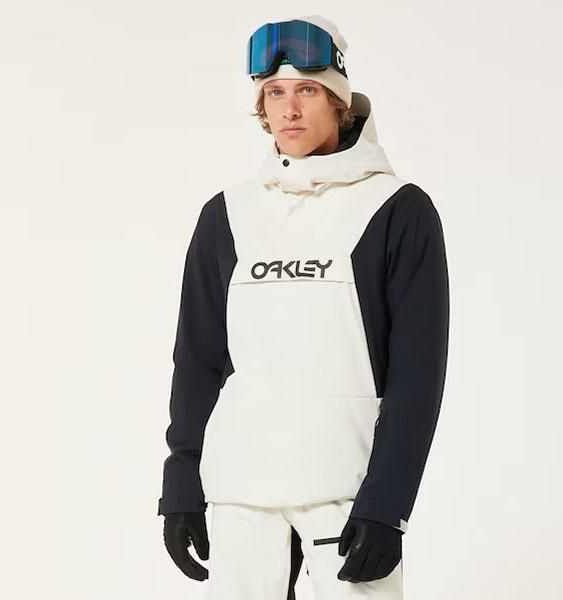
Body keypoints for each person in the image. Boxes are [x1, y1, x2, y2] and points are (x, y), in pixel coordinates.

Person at [158, 14, 450, 600]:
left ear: (339, 102)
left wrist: (388, 502)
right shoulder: (227, 215)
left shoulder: (397, 209)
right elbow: (198, 361)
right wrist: (182, 481)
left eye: (308, 90)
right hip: (239, 493)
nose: (289, 109)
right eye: (275, 93)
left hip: (347, 495)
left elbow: (418, 375)